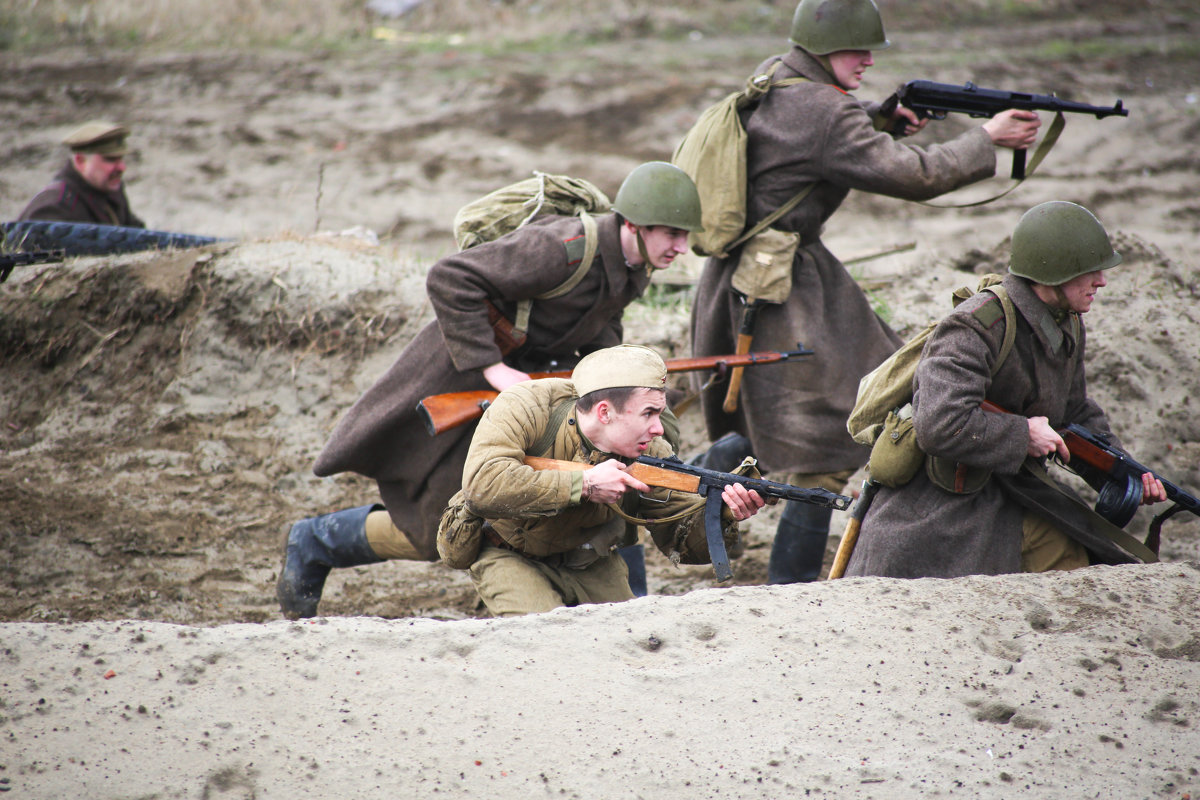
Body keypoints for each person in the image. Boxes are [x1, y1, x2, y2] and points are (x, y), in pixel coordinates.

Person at [689, 0, 1042, 585]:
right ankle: (791, 588)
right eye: (859, 50)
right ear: (827, 51)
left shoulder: (780, 76)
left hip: (743, 282)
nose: (869, 60)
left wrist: (880, 119)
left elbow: (812, 147)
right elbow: (914, 175)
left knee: (764, 425)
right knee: (820, 452)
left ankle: (704, 471)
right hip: (782, 293)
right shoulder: (826, 110)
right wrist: (987, 138)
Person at [276, 162, 704, 619]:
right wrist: (493, 369)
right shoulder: (562, 247)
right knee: (442, 524)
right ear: (634, 225)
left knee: (578, 481)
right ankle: (316, 541)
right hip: (462, 374)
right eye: (671, 234)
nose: (681, 247)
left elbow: (598, 333)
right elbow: (450, 278)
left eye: (685, 235)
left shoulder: (632, 264)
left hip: (527, 390)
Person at [844, 201, 1167, 578]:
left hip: (1017, 493)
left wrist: (1119, 470)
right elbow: (940, 422)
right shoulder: (976, 325)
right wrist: (1023, 434)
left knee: (1079, 572)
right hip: (941, 507)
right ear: (1054, 272)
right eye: (1089, 271)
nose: (1102, 281)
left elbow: (1074, 411)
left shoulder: (1066, 323)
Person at [459, 344, 766, 617]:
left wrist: (723, 514)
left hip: (590, 560)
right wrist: (585, 484)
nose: (659, 428)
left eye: (660, 414)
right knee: (546, 641)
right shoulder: (528, 406)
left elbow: (679, 539)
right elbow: (481, 486)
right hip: (509, 553)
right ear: (604, 412)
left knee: (629, 643)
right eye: (648, 413)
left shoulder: (652, 451)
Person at [17, 120, 146, 227]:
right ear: (80, 160)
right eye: (110, 159)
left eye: (121, 158)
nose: (122, 167)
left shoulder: (110, 188)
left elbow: (134, 232)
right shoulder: (54, 208)